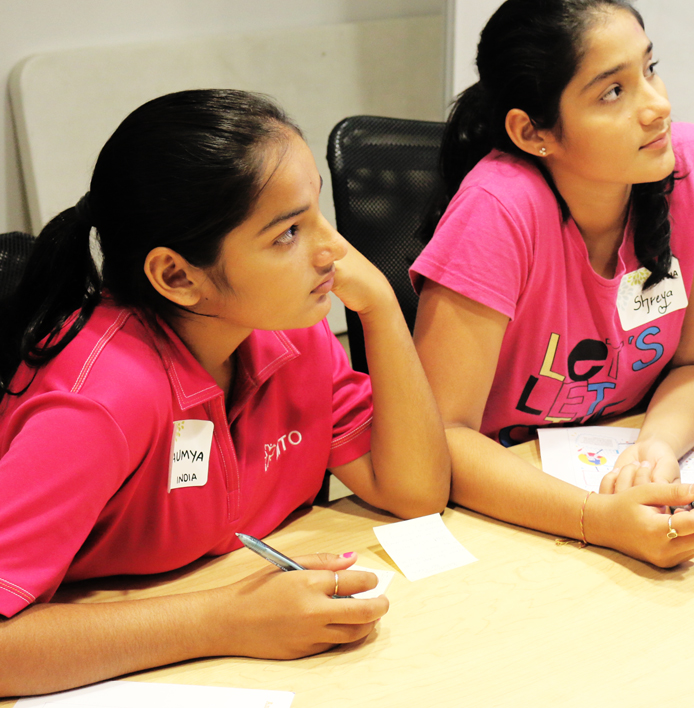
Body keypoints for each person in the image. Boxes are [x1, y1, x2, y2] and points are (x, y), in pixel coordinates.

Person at [0, 90, 450, 696]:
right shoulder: (102, 400)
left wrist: (383, 311)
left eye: (316, 209)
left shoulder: (290, 335)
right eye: (288, 233)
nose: (332, 249)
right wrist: (226, 621)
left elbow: (414, 491)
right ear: (179, 277)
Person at [412, 0, 694, 568]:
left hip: (614, 484)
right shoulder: (498, 211)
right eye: (614, 92)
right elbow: (440, 437)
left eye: (651, 69)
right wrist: (595, 521)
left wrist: (656, 449)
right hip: (508, 513)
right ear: (533, 132)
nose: (658, 105)